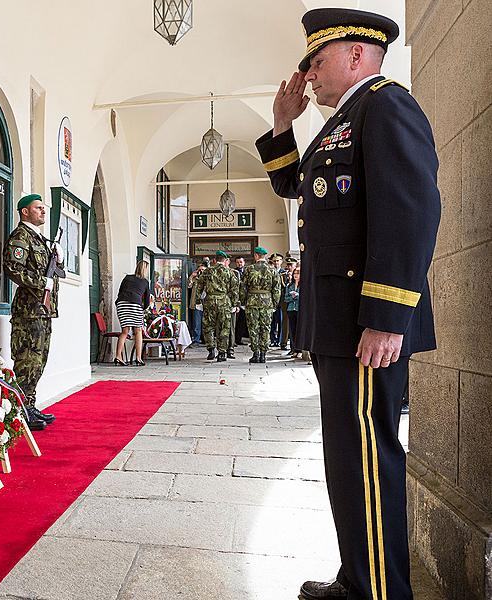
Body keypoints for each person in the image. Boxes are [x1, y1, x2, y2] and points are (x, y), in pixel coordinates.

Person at [256, 8, 441, 600]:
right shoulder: (344, 121)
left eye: (316, 60)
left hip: (367, 328)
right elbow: (297, 187)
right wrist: (283, 124)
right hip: (339, 327)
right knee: (348, 460)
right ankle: (357, 579)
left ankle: (381, 592)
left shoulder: (386, 105)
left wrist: (387, 320)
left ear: (356, 55)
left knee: (367, 459)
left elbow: (410, 214)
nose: (307, 73)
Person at [3, 193, 65, 431]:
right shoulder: (21, 236)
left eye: (43, 208)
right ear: (25, 212)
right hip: (28, 312)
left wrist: (58, 260)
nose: (43, 211)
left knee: (39, 361)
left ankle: (29, 405)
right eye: (38, 208)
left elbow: (52, 271)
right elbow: (12, 267)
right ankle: (20, 411)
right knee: (27, 360)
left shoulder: (39, 239)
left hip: (43, 311)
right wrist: (41, 282)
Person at [191, 250, 239, 362]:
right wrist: (234, 303)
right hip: (224, 301)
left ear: (214, 260)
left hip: (210, 301)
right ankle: (222, 352)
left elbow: (199, 286)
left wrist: (198, 301)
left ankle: (211, 350)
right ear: (225, 260)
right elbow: (235, 290)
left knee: (208, 326)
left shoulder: (207, 271)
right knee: (224, 327)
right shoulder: (230, 272)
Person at [240, 247, 282, 363]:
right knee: (265, 328)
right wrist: (274, 304)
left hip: (252, 301)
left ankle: (256, 353)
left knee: (253, 328)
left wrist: (243, 302)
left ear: (256, 256)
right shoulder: (272, 270)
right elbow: (277, 289)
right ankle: (263, 354)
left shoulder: (249, 269)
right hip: (267, 302)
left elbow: (243, 287)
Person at [114, 260, 152, 366]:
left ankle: (118, 356)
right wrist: (142, 308)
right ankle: (138, 358)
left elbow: (120, 292)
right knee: (138, 331)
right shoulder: (145, 282)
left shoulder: (127, 278)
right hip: (135, 305)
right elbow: (147, 300)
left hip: (122, 305)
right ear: (145, 270)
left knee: (125, 332)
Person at [269, 253, 288, 348]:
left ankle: (281, 340)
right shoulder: (270, 271)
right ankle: (272, 339)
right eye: (275, 261)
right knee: (272, 320)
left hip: (282, 299)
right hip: (272, 299)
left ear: (281, 261)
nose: (276, 262)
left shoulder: (284, 272)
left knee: (281, 320)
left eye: (278, 260)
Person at [284, 265, 301, 358]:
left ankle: (299, 350)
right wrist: (292, 297)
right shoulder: (289, 286)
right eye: (294, 273)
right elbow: (286, 298)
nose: (295, 275)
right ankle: (294, 349)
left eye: (297, 273)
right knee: (292, 330)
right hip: (291, 309)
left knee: (299, 330)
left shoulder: (304, 285)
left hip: (299, 309)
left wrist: (297, 296)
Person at [233, 257, 248, 345]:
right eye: (238, 262)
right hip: (236, 298)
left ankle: (239, 339)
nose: (239, 264)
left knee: (243, 321)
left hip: (245, 300)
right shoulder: (234, 272)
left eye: (241, 262)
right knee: (235, 321)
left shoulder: (247, 272)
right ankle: (233, 339)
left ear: (244, 262)